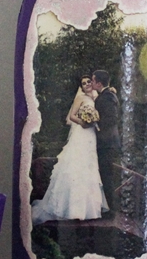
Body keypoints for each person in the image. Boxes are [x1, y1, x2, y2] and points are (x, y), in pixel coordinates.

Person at [31, 77, 109, 223]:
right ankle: (73, 209)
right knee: (76, 165)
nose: (87, 84)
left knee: (89, 166)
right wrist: (83, 122)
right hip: (81, 133)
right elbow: (72, 116)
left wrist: (93, 119)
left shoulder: (96, 97)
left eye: (89, 82)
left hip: (91, 135)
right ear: (81, 87)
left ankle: (89, 209)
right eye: (84, 83)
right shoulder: (80, 98)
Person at [89, 69, 121, 213]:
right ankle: (106, 208)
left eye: (93, 80)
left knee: (106, 176)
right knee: (103, 175)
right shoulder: (105, 95)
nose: (91, 82)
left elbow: (111, 119)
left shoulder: (107, 97)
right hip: (105, 142)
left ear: (99, 83)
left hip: (107, 142)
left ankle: (111, 210)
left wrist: (96, 123)